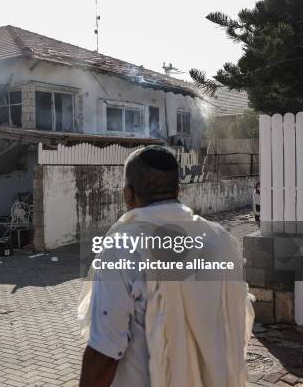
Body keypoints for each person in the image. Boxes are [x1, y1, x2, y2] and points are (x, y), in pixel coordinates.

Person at [78, 145, 253, 387]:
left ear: (128, 195)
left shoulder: (124, 246)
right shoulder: (220, 238)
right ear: (178, 190)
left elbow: (104, 353)